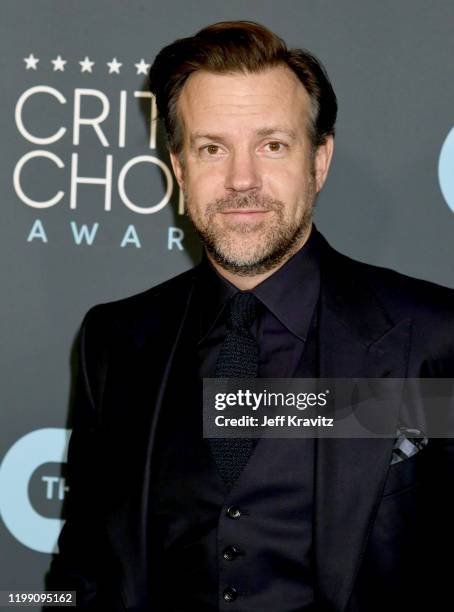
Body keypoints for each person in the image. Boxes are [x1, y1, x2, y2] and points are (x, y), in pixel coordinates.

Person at [47, 21, 454, 611]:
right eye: (212, 148)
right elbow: (82, 569)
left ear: (319, 160)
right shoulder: (115, 341)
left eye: (272, 145)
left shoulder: (434, 337)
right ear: (180, 169)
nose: (242, 180)